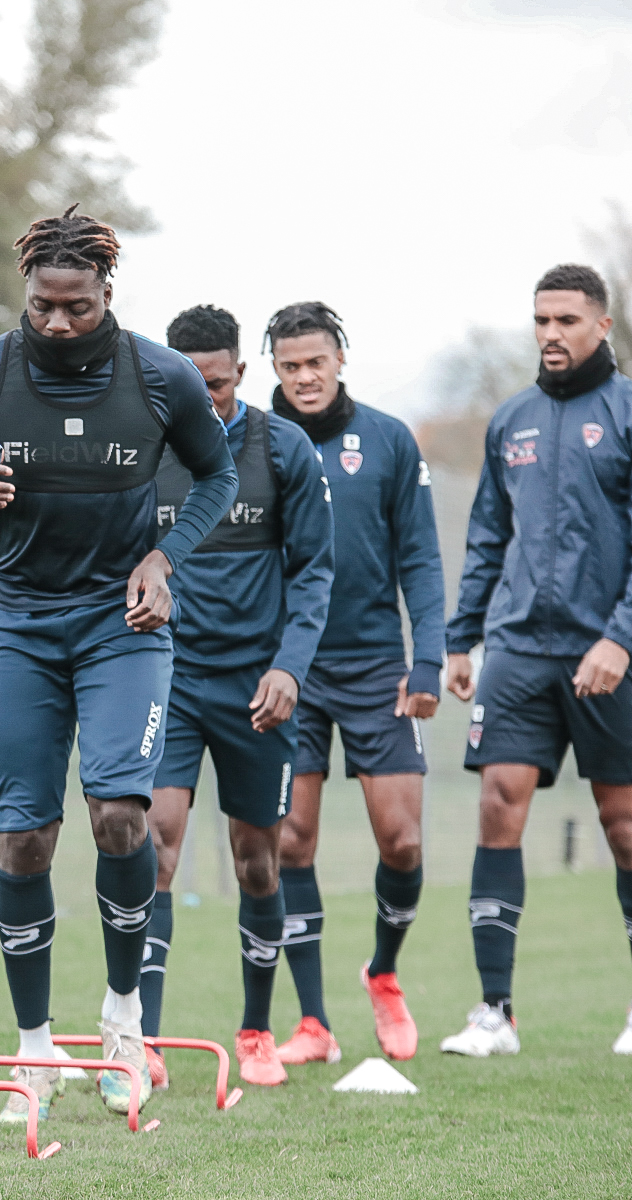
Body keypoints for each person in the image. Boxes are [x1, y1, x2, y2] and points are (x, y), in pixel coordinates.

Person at [0, 208, 237, 1123]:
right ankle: (34, 1052)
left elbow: (218, 479)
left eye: (75, 307)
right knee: (24, 838)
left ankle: (124, 1025)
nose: (55, 323)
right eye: (42, 306)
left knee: (123, 819)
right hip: (17, 622)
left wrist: (165, 558)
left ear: (106, 296)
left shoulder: (160, 377)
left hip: (121, 624)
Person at [440, 263, 632, 1058]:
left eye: (566, 320)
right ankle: (495, 1013)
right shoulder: (511, 418)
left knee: (623, 827)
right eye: (541, 321)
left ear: (602, 327)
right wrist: (460, 638)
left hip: (608, 652)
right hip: (518, 648)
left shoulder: (625, 413)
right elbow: (488, 533)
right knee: (497, 806)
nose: (551, 334)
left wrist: (620, 637)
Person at [142, 306, 334, 1088]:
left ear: (240, 377)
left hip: (258, 688)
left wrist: (289, 667)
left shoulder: (281, 448)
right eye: (190, 384)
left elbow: (316, 571)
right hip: (170, 678)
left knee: (259, 860)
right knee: (152, 842)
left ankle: (256, 1030)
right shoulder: (146, 449)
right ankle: (140, 1043)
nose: (204, 398)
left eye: (216, 384)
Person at [262, 302, 445, 1066]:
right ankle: (313, 1023)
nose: (305, 377)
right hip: (286, 668)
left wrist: (428, 656)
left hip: (376, 665)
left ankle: (385, 972)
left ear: (341, 357)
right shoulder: (250, 444)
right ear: (272, 367)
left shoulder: (389, 439)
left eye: (317, 362)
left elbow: (422, 560)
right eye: (290, 365)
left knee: (401, 840)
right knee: (291, 841)